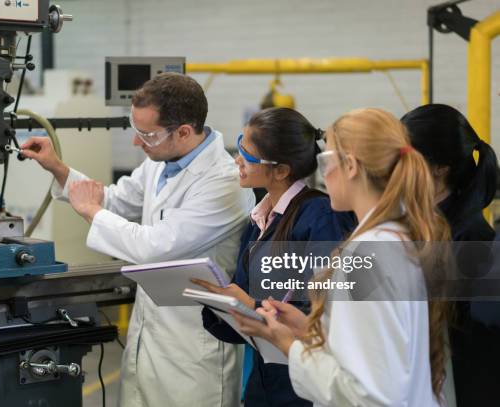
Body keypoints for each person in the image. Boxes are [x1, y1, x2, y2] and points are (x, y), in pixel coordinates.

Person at [20, 72, 255, 407]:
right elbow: (113, 200)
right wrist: (59, 169)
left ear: (184, 132)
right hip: (149, 339)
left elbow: (156, 247)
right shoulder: (161, 162)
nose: (136, 143)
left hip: (194, 349)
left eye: (146, 134)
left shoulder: (223, 182)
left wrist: (90, 212)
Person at [230, 108, 453, 406]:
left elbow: (366, 394)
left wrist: (289, 345)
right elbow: (382, 350)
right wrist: (311, 329)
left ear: (349, 166)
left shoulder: (366, 256)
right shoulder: (394, 241)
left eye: (326, 160)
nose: (323, 173)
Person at [192, 107, 354, 407]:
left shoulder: (319, 218)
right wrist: (218, 302)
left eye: (249, 155)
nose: (238, 160)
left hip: (302, 389)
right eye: (240, 146)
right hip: (264, 384)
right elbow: (246, 302)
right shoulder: (259, 220)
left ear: (280, 170)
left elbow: (319, 313)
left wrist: (249, 305)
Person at [401, 104, 500, 406]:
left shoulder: (471, 240)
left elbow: (472, 347)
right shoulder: (418, 227)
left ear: (438, 168)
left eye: (404, 157)